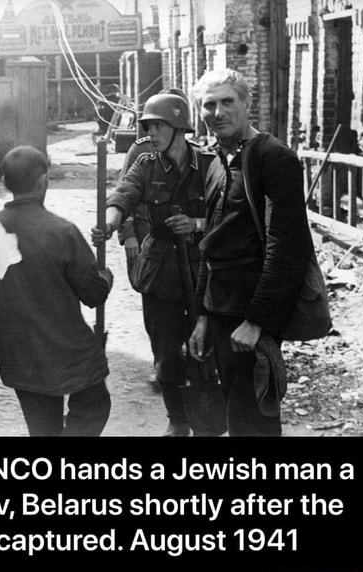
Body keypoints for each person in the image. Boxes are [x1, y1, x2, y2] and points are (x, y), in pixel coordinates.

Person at [188, 69, 313, 436]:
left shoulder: (273, 159)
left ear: (247, 104)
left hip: (253, 316)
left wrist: (258, 322)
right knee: (236, 417)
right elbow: (211, 246)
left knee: (253, 423)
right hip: (222, 312)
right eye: (209, 105)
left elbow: (288, 249)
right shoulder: (217, 162)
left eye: (228, 101)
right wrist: (202, 315)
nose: (218, 112)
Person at [91, 91, 215, 436]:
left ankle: (208, 415)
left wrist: (198, 224)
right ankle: (178, 421)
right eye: (147, 126)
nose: (150, 133)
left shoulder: (209, 164)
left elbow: (229, 215)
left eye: (157, 126)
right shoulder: (145, 165)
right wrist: (111, 223)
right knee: (165, 351)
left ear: (178, 127)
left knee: (206, 346)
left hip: (202, 269)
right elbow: (122, 196)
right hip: (161, 272)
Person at [0, 145, 113, 437]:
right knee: (94, 405)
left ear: (5, 183)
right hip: (69, 351)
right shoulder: (62, 231)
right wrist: (106, 277)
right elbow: (93, 294)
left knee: (42, 428)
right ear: (43, 181)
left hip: (19, 353)